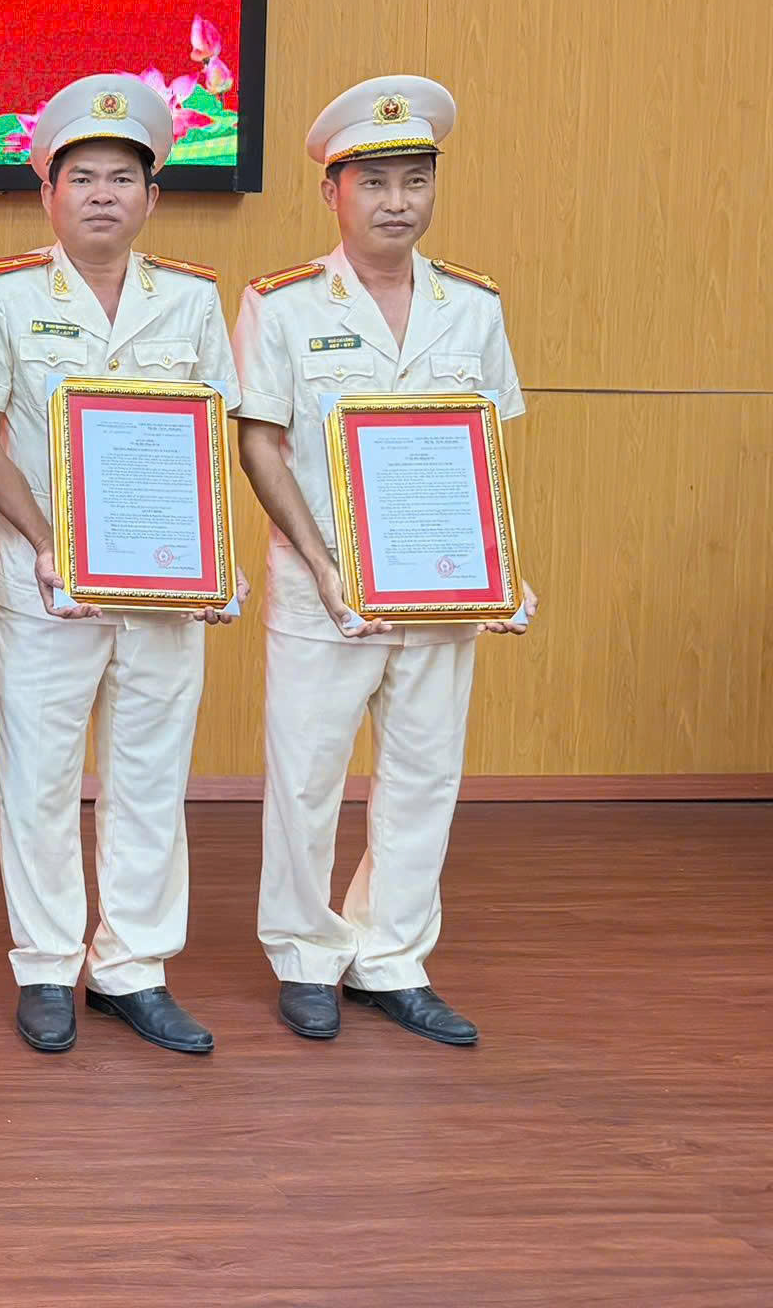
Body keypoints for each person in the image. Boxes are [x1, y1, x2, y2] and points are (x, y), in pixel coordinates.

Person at [234, 76, 536, 1048]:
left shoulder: (472, 307)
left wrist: (500, 570)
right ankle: (305, 954)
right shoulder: (280, 306)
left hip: (440, 591)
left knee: (423, 775)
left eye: (415, 180)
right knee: (306, 777)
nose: (397, 201)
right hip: (320, 590)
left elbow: (481, 450)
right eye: (374, 183)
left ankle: (392, 957)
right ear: (333, 191)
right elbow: (257, 441)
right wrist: (324, 566)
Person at [0, 76, 244, 1058]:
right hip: (42, 583)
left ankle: (132, 969)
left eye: (123, 177)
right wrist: (45, 542)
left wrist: (216, 561)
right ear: (48, 191)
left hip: (162, 585)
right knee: (40, 778)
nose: (103, 194)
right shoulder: (3, 293)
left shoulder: (193, 299)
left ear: (152, 196)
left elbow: (207, 439)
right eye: (82, 177)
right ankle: (44, 966)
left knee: (150, 776)